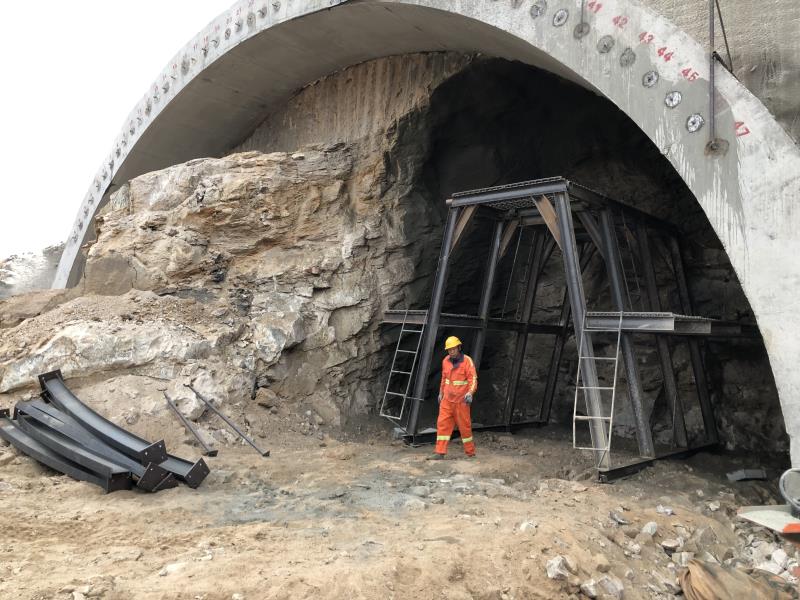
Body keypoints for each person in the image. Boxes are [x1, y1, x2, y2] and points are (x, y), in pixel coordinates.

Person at [429, 335, 477, 459]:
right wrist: (441, 393)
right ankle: (440, 452)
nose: (451, 351)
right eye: (449, 349)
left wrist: (470, 393)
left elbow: (473, 379)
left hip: (461, 401)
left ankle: (470, 453)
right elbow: (444, 379)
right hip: (447, 400)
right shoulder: (445, 361)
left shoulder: (467, 361)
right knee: (442, 424)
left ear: (459, 348)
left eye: (453, 349)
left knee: (465, 427)